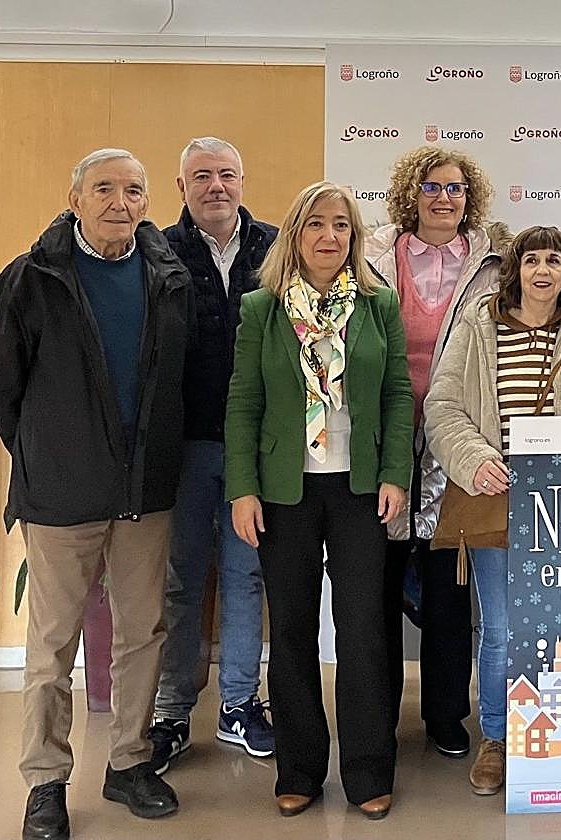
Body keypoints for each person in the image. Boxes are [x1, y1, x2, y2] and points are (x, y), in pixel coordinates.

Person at [0, 148, 189, 840]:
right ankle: (46, 781)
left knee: (142, 635)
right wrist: (48, 455)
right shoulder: (32, 277)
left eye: (134, 190)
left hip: (144, 494)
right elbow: (3, 385)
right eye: (103, 188)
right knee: (50, 649)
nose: (119, 202)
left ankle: (129, 763)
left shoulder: (168, 276)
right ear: (75, 199)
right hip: (63, 497)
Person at [225, 181, 412, 820]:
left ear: (355, 237)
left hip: (361, 489)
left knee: (363, 632)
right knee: (296, 632)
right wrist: (243, 488)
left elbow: (396, 394)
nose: (329, 237)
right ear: (295, 235)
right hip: (285, 492)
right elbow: (244, 401)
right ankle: (300, 768)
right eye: (316, 226)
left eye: (342, 226)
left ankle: (367, 773)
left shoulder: (377, 305)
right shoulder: (261, 308)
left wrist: (395, 474)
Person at [425, 225, 561, 796]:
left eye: (553, 260)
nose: (542, 270)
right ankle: (497, 738)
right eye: (530, 260)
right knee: (505, 627)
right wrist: (475, 457)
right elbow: (442, 405)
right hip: (493, 498)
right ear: (515, 270)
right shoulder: (477, 327)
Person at [365, 146, 504, 758]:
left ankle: (448, 714)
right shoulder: (373, 259)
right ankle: (381, 717)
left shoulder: (492, 266)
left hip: (461, 443)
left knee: (450, 591)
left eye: (455, 188)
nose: (444, 197)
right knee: (378, 588)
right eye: (430, 187)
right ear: (410, 194)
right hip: (381, 441)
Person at [149, 137, 277, 774]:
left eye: (227, 174)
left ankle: (237, 704)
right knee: (181, 582)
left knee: (244, 576)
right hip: (185, 447)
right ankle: (171, 711)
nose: (216, 187)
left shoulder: (278, 247)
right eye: (202, 176)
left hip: (256, 450)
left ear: (243, 179)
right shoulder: (157, 251)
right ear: (182, 187)